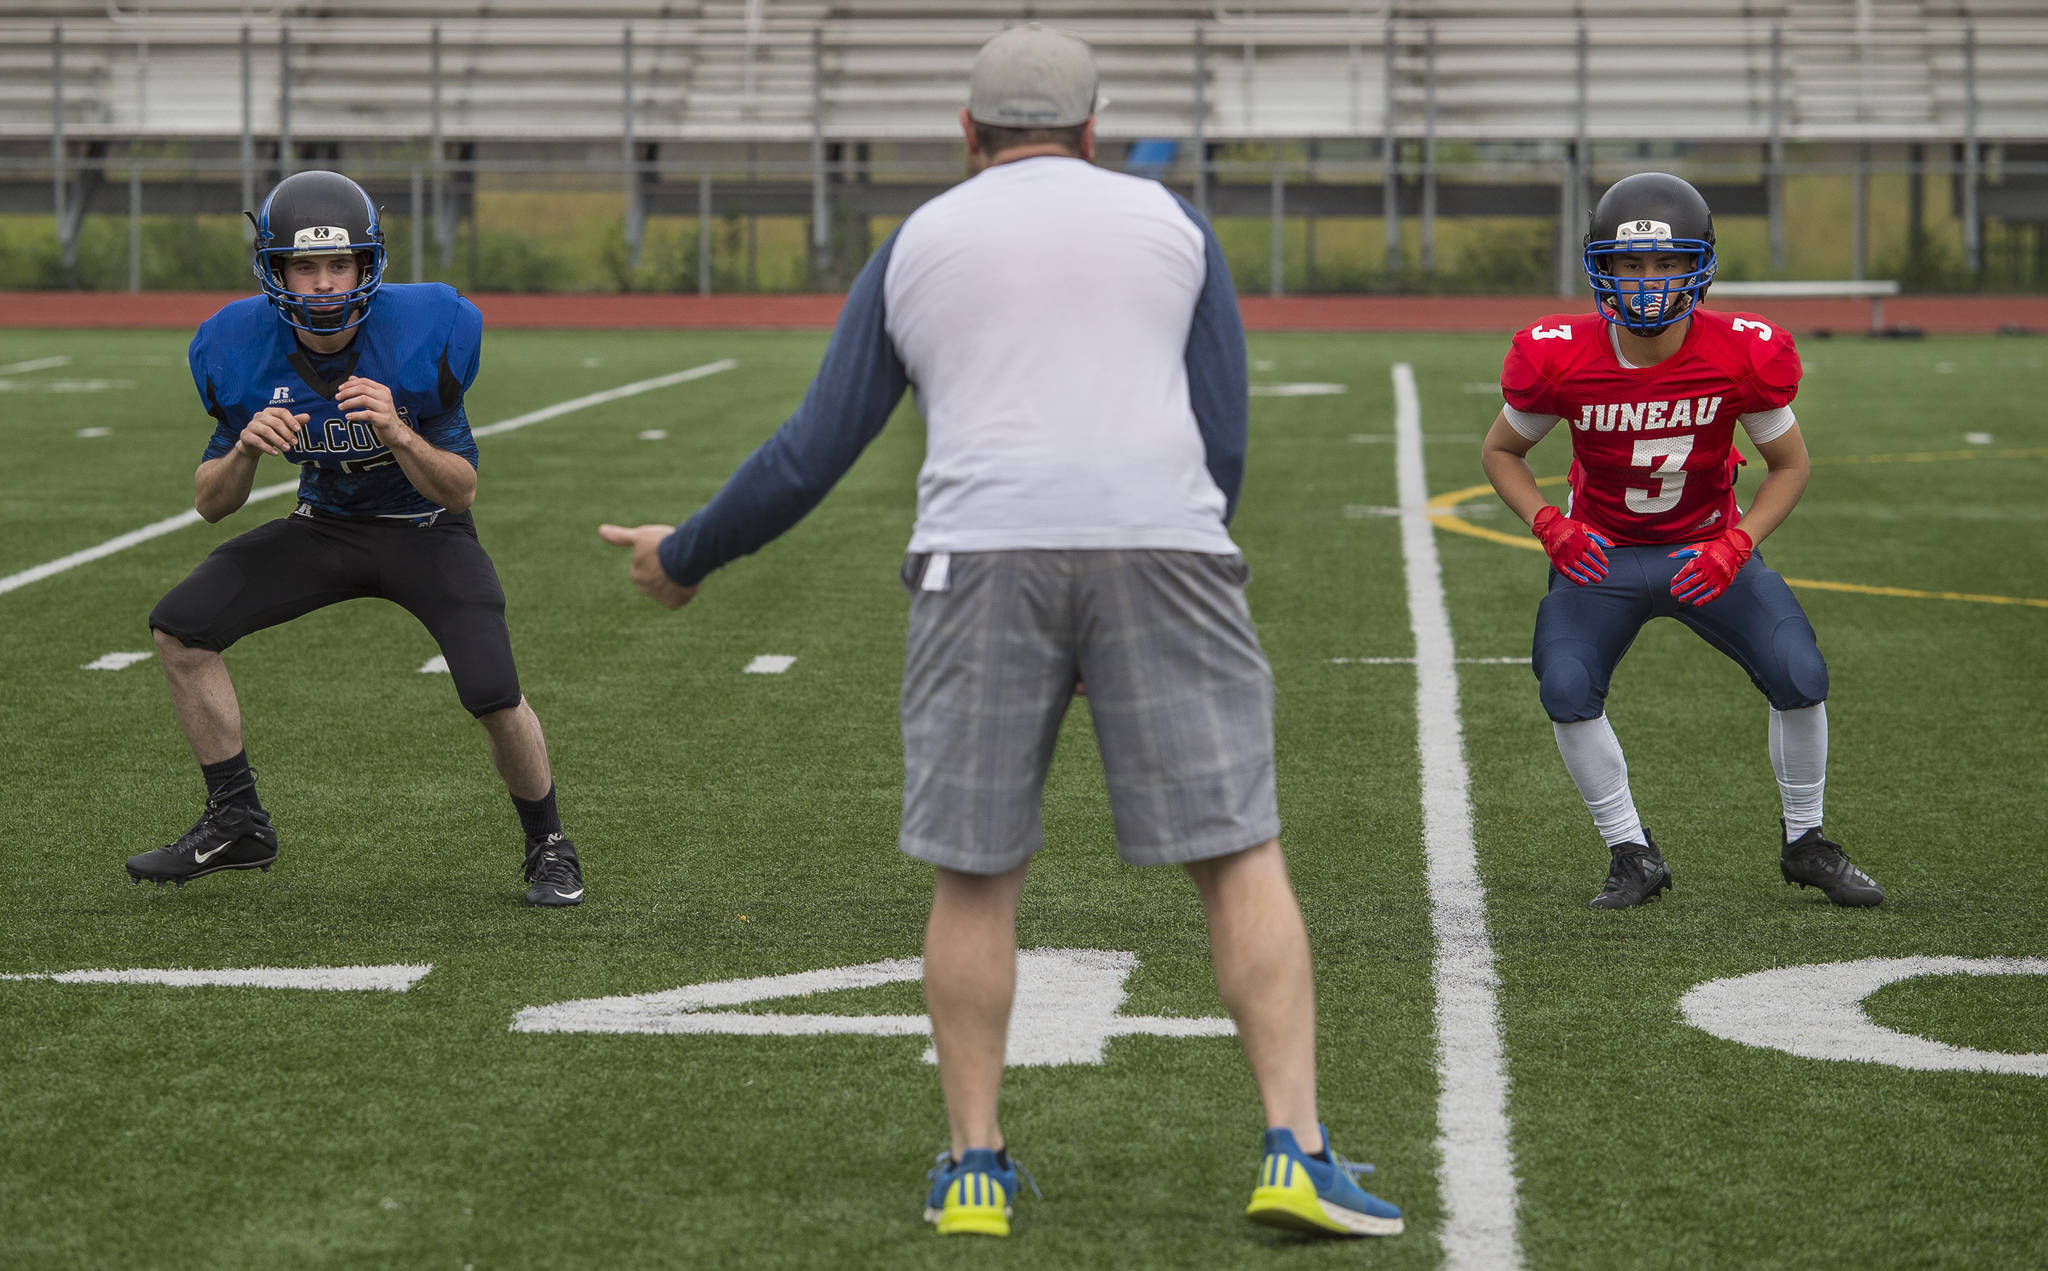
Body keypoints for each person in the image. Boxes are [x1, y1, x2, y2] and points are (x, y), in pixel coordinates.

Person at [600, 23, 1401, 1242]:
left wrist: (687, 553)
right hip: (1164, 544)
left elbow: (815, 449)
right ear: (1091, 131)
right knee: (1237, 849)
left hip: (977, 556)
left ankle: (974, 1163)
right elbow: (1220, 432)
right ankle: (1293, 1144)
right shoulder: (1169, 223)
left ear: (967, 138)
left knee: (974, 872)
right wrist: (1168, 555)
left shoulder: (919, 238)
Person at [124, 169, 585, 908]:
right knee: (181, 627)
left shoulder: (427, 329)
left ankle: (551, 845)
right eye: (306, 266)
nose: (325, 283)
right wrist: (244, 450)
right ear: (275, 271)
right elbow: (212, 503)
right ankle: (237, 819)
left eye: (339, 264)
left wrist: (399, 429)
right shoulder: (236, 345)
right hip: (326, 527)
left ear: (368, 267)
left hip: (425, 528)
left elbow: (459, 488)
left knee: (493, 690)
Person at [1480, 171, 1883, 911]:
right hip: (1600, 553)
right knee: (1566, 685)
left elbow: (1788, 466)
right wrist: (1550, 523)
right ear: (1600, 266)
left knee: (1800, 670)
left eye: (1667, 263)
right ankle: (1632, 851)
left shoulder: (1738, 352)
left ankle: (1807, 841)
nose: (1647, 283)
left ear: (1700, 265)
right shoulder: (1561, 354)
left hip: (1705, 549)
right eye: (1630, 264)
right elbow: (1501, 452)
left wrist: (1739, 541)